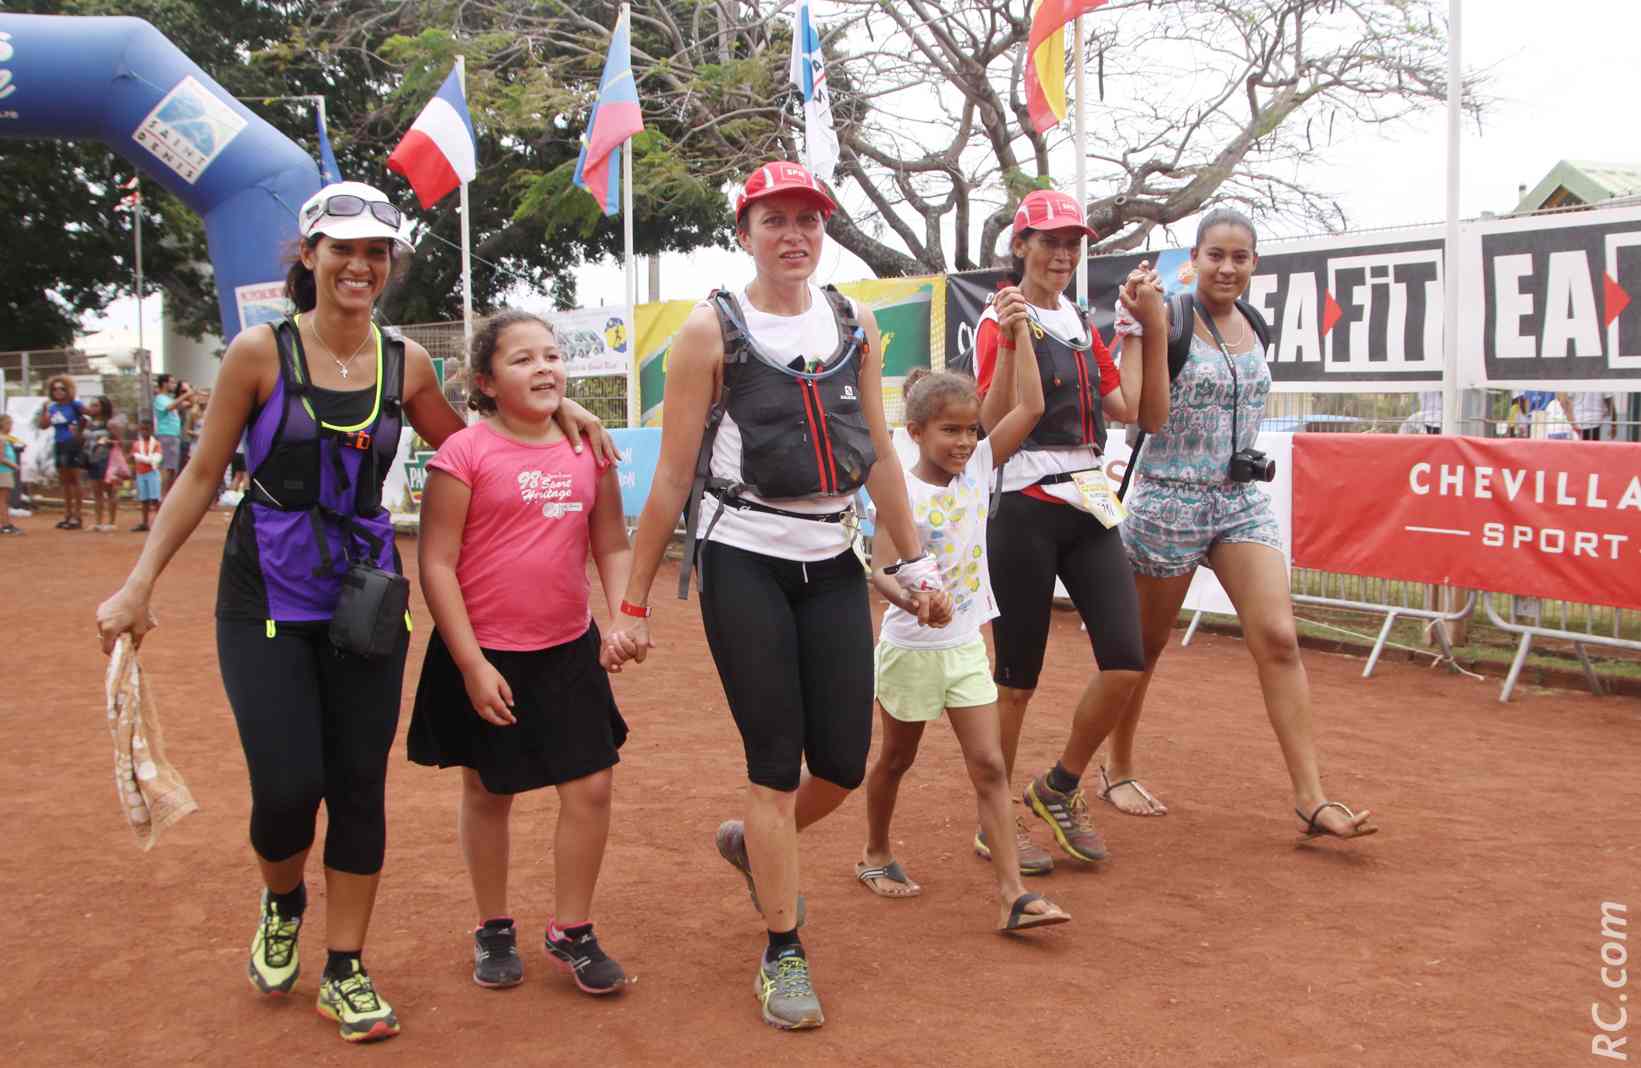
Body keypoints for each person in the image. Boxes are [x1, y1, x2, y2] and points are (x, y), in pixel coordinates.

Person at [94, 180, 617, 1044]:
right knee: (287, 793)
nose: (360, 264)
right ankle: (281, 899)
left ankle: (345, 968)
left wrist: (555, 403)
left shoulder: (404, 361)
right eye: (342, 248)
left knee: (358, 789)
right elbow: (201, 475)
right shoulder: (258, 354)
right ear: (309, 257)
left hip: (366, 600)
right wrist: (139, 582)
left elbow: (469, 442)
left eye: (376, 251)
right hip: (263, 594)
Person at [604, 161, 944, 1031]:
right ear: (744, 230)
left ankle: (756, 844)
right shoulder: (706, 331)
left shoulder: (852, 321)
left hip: (831, 559)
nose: (794, 235)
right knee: (770, 755)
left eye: (808, 219)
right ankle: (782, 949)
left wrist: (917, 564)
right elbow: (673, 472)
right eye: (774, 220)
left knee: (838, 762)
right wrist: (632, 603)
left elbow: (873, 453)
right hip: (742, 560)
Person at [1106, 206, 1377, 841]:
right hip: (1168, 497)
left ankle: (1312, 798)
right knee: (1143, 649)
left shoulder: (1254, 323)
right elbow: (1135, 403)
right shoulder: (1164, 315)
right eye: (1215, 255)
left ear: (1255, 264)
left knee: (1279, 637)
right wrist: (1140, 318)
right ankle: (1116, 767)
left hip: (1239, 499)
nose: (1227, 267)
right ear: (1193, 259)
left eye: (1240, 257)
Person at [407, 311, 633, 997]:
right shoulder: (464, 454)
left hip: (567, 648)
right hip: (483, 654)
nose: (544, 369)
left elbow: (612, 543)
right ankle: (493, 926)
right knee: (485, 790)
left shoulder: (587, 449)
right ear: (484, 380)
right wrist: (472, 663)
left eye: (552, 356)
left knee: (591, 785)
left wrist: (622, 616)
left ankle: (572, 930)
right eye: (522, 359)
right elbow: (437, 563)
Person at [970, 188, 1159, 870]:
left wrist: (1137, 333)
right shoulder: (1000, 318)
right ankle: (992, 821)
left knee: (1125, 660)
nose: (1061, 253)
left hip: (1087, 506)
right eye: (1047, 241)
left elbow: (1127, 406)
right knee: (1015, 678)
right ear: (1019, 246)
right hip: (1021, 507)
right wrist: (1015, 336)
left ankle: (1058, 786)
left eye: (1071, 242)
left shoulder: (1079, 320)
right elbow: (988, 426)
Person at [857, 341, 1071, 931]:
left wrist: (1019, 331)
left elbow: (1029, 403)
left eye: (972, 431)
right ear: (916, 431)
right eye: (950, 431)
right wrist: (914, 600)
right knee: (896, 759)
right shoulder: (901, 488)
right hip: (909, 651)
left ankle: (1013, 895)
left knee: (990, 765)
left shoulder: (979, 466)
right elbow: (881, 570)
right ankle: (875, 852)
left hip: (966, 647)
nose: (964, 443)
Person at [37, 375, 87, 529]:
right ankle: (68, 514)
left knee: (75, 480)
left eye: (62, 388)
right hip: (59, 443)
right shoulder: (53, 407)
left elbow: (87, 417)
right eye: (55, 389)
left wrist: (79, 432)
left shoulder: (75, 405)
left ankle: (78, 516)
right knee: (64, 481)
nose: (58, 391)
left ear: (68, 389)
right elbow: (43, 425)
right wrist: (45, 410)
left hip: (72, 444)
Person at [151, 373, 192, 498]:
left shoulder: (168, 398)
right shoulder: (160, 398)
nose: (174, 385)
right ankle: (163, 497)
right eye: (172, 382)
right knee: (167, 468)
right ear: (164, 383)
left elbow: (188, 404)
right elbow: (169, 407)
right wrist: (186, 394)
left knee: (172, 469)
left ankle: (166, 496)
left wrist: (188, 391)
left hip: (173, 436)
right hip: (166, 435)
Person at [82, 396, 119, 532]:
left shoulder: (110, 424)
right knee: (96, 492)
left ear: (103, 407)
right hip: (91, 459)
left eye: (96, 405)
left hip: (106, 459)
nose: (92, 408)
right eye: (91, 405)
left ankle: (111, 522)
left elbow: (118, 442)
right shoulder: (88, 423)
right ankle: (98, 522)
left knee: (110, 491)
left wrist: (107, 441)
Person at [129, 417, 163, 532]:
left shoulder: (156, 444)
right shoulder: (137, 444)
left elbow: (156, 460)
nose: (144, 432)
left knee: (155, 499)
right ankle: (144, 522)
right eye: (142, 429)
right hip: (141, 473)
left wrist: (140, 457)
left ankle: (161, 522)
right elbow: (146, 459)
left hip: (152, 473)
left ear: (151, 430)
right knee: (144, 499)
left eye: (146, 429)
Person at [0, 414, 21, 535]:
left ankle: (5, 523)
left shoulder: (5, 438)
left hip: (4, 472)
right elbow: (1, 458)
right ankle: (6, 525)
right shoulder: (2, 439)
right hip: (3, 472)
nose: (11, 426)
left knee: (2, 500)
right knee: (3, 500)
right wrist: (14, 466)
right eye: (9, 423)